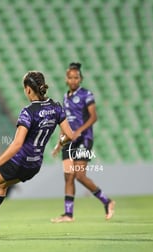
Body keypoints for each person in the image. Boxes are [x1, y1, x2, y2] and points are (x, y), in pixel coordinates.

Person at [0, 71, 75, 240]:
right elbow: (70, 136)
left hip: (19, 162)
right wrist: (61, 142)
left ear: (28, 90)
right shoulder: (56, 107)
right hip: (34, 165)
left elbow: (16, 145)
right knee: (1, 187)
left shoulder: (28, 112)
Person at [50, 62, 115, 223]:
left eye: (76, 77)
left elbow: (94, 117)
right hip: (68, 141)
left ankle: (107, 201)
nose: (73, 80)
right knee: (68, 176)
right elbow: (63, 122)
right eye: (70, 77)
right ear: (66, 79)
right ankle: (68, 214)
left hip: (83, 139)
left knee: (79, 175)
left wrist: (79, 131)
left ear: (81, 79)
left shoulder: (87, 94)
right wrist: (59, 142)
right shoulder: (65, 97)